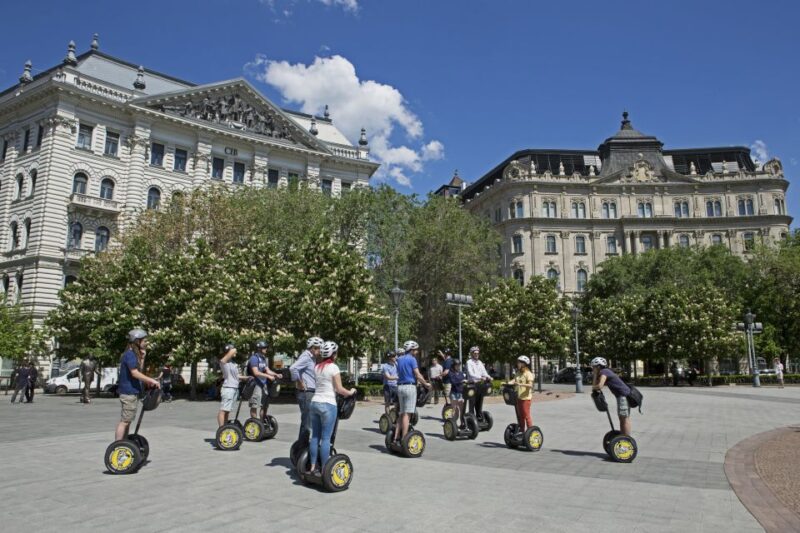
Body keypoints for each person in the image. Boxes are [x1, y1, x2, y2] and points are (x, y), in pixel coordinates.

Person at [307, 341, 356, 476]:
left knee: (315, 436)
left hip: (315, 402)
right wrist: (351, 392)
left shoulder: (317, 367)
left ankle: (312, 467)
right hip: (328, 404)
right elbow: (339, 389)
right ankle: (324, 469)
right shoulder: (333, 367)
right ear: (333, 354)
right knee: (326, 438)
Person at [115, 330, 160, 441]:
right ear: (137, 341)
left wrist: (143, 357)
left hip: (132, 392)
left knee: (128, 420)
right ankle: (117, 446)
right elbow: (134, 373)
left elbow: (139, 370)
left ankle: (123, 444)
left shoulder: (134, 354)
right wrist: (151, 380)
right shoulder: (130, 354)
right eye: (144, 341)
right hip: (128, 392)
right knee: (125, 421)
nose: (146, 343)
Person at [392, 340, 432, 444]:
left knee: (401, 414)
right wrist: (426, 384)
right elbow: (417, 375)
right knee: (407, 414)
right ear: (411, 350)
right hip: (409, 387)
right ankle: (404, 439)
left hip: (400, 387)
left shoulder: (399, 359)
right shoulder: (412, 359)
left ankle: (395, 438)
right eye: (415, 349)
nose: (417, 351)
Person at [290, 337, 323, 442]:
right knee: (307, 422)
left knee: (309, 421)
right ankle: (301, 446)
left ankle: (303, 444)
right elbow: (293, 368)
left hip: (310, 392)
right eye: (318, 348)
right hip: (306, 393)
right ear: (313, 348)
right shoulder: (306, 356)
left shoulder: (312, 357)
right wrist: (299, 382)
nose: (320, 351)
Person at [591, 357, 631, 436]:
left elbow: (599, 386)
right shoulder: (604, 372)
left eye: (594, 367)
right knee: (622, 418)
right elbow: (595, 385)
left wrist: (594, 386)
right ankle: (623, 437)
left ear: (598, 366)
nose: (593, 369)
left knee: (624, 418)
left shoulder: (604, 372)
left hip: (623, 396)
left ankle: (626, 439)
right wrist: (595, 375)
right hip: (621, 396)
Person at [248, 340, 280, 420]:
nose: (266, 349)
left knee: (264, 405)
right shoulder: (254, 358)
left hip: (263, 385)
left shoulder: (263, 358)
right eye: (264, 348)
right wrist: (268, 376)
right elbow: (256, 372)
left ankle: (261, 423)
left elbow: (267, 370)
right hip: (255, 385)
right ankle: (255, 423)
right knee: (254, 405)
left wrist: (276, 374)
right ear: (259, 349)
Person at [217, 344, 247, 428]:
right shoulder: (224, 362)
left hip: (234, 388)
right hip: (228, 388)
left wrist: (247, 377)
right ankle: (221, 429)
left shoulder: (233, 363)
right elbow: (223, 360)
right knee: (223, 410)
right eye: (232, 350)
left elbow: (236, 376)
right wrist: (232, 349)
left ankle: (225, 427)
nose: (235, 352)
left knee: (227, 411)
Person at [506, 356, 534, 432]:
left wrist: (521, 385)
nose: (517, 364)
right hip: (519, 398)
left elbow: (530, 385)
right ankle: (522, 431)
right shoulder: (518, 373)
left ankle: (530, 432)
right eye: (518, 362)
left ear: (524, 364)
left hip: (526, 399)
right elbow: (514, 380)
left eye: (519, 362)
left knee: (526, 416)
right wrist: (507, 383)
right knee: (521, 416)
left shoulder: (528, 373)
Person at [465, 346, 492, 419]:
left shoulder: (480, 362)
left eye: (478, 353)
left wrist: (488, 376)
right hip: (472, 385)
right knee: (472, 402)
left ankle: (479, 417)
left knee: (479, 402)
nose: (477, 354)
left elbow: (484, 372)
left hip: (480, 384)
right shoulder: (469, 362)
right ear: (472, 354)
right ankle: (471, 417)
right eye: (475, 353)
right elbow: (471, 374)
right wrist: (480, 377)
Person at [448, 360, 467, 427]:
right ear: (454, 365)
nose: (458, 366)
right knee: (455, 410)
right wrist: (461, 381)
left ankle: (462, 423)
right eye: (457, 365)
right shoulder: (451, 373)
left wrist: (464, 382)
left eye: (459, 365)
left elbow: (464, 380)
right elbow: (453, 381)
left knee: (462, 410)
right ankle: (453, 424)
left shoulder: (461, 373)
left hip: (461, 393)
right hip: (454, 393)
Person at [381, 351, 398, 415]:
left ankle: (395, 416)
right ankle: (388, 417)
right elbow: (388, 377)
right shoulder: (385, 366)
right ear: (390, 358)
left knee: (396, 402)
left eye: (395, 356)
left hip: (395, 386)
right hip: (387, 386)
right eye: (393, 356)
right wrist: (398, 378)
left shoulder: (396, 364)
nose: (395, 358)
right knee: (387, 403)